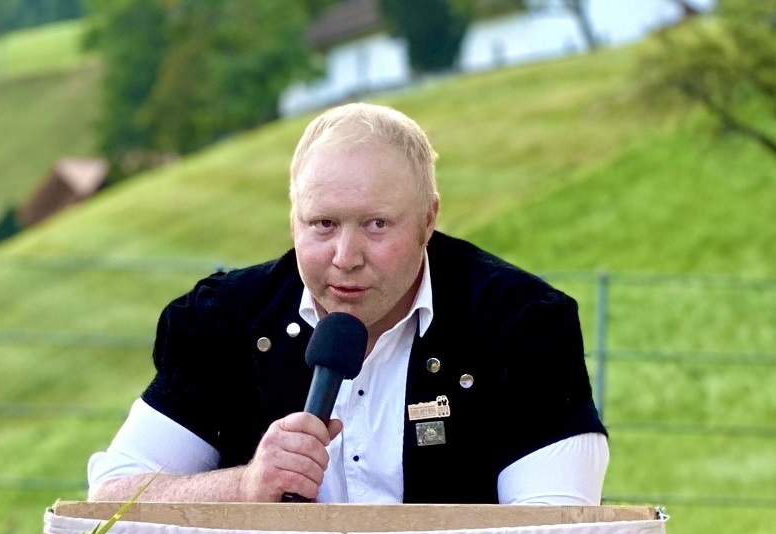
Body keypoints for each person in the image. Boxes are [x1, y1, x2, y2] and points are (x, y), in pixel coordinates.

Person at [88, 102, 608, 505]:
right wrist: (245, 485)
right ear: (293, 219)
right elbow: (110, 499)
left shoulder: (519, 325)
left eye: (376, 224)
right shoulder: (226, 320)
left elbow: (557, 529)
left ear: (429, 219)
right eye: (323, 224)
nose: (346, 257)